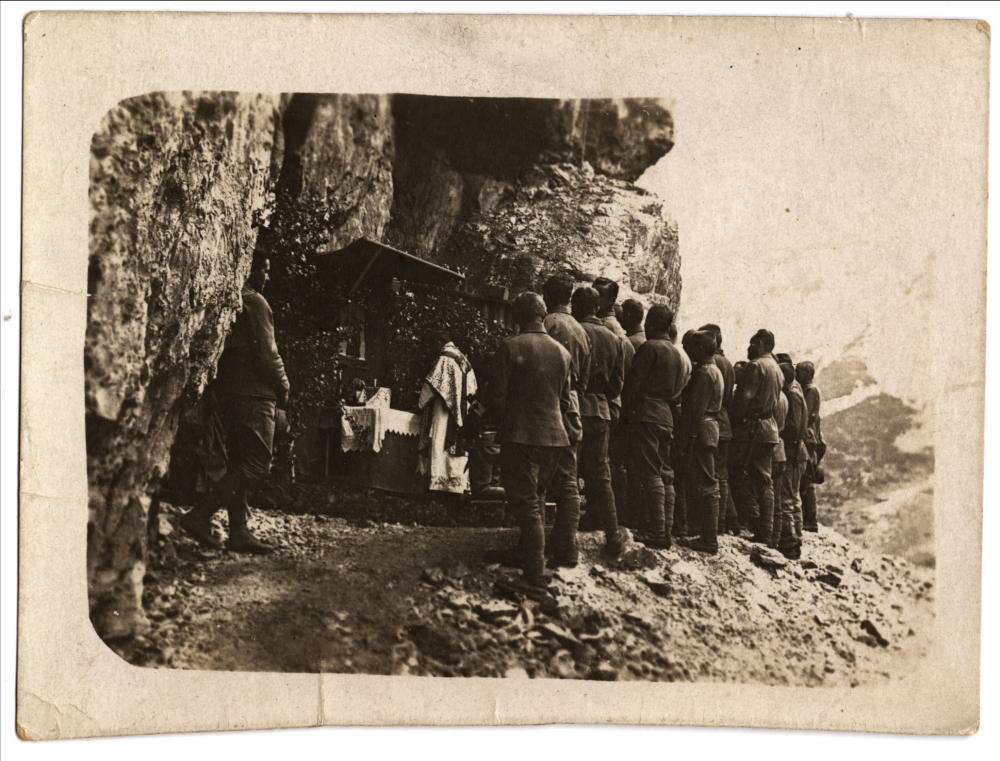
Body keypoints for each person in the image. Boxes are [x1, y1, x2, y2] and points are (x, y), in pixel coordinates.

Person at [180, 255, 290, 554]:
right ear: (251, 269)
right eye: (264, 270)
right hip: (254, 394)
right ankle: (199, 516)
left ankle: (239, 531)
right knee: (257, 464)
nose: (266, 277)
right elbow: (269, 354)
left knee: (239, 462)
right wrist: (283, 384)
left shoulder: (231, 300)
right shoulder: (255, 302)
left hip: (229, 392)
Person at [489, 292, 578, 590]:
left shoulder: (510, 346)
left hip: (522, 435)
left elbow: (498, 398)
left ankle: (535, 574)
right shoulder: (563, 353)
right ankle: (527, 554)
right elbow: (566, 402)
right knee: (536, 497)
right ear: (542, 315)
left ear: (517, 316)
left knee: (526, 503)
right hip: (555, 438)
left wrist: (498, 425)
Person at [621, 306, 689, 548]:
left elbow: (633, 386)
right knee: (665, 472)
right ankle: (665, 529)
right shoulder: (676, 352)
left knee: (649, 471)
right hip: (666, 415)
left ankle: (657, 531)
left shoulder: (648, 348)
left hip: (647, 413)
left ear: (650, 323)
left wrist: (626, 414)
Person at [572, 286, 627, 557]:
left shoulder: (575, 331)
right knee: (602, 476)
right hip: (601, 411)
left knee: (568, 472)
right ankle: (613, 536)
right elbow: (617, 386)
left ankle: (566, 536)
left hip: (576, 408)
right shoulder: (614, 337)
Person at [541, 274, 592, 566]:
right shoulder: (582, 331)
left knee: (536, 477)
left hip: (547, 407)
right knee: (568, 481)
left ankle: (532, 544)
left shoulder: (547, 324)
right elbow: (583, 381)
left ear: (547, 295)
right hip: (572, 407)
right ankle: (567, 546)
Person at [729, 329, 783, 544]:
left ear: (760, 344)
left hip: (751, 429)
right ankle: (766, 533)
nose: (748, 348)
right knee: (764, 481)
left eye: (752, 344)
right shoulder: (776, 368)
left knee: (731, 471)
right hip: (769, 429)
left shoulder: (756, 366)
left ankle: (734, 523)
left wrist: (734, 420)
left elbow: (743, 400)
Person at [676, 330, 725, 554]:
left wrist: (684, 439)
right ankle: (705, 534)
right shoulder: (715, 370)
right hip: (711, 428)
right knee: (706, 482)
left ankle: (709, 539)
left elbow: (693, 412)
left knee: (707, 484)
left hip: (702, 429)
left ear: (700, 349)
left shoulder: (704, 373)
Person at [592, 278, 634, 526]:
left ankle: (605, 520)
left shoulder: (609, 331)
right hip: (613, 405)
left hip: (605, 405)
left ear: (610, 300)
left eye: (599, 295)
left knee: (602, 467)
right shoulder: (619, 333)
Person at [417, 331, 478, 496]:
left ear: (439, 343)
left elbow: (430, 388)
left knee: (439, 442)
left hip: (443, 411)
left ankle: (439, 489)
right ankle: (457, 486)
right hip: (460, 414)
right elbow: (473, 389)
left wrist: (420, 403)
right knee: (455, 447)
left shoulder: (444, 359)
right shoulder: (464, 360)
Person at [700, 324, 737, 535]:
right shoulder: (729, 364)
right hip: (724, 423)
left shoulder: (711, 365)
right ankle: (722, 523)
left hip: (711, 422)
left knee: (710, 475)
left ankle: (716, 524)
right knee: (721, 475)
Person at [777, 359, 807, 556]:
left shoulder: (792, 395)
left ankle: (790, 544)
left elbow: (794, 429)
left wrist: (778, 428)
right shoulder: (796, 392)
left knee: (787, 497)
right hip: (798, 452)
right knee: (793, 497)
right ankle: (797, 538)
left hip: (793, 453)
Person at [797, 361, 823, 532]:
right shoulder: (810, 388)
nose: (797, 374)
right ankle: (809, 519)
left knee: (806, 480)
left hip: (807, 438)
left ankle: (811, 521)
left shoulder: (810, 390)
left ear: (807, 374)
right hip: (809, 437)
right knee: (805, 479)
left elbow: (803, 415)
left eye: (799, 372)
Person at [768, 380, 789, 549]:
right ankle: (775, 539)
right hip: (780, 449)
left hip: (772, 448)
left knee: (767, 492)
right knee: (777, 499)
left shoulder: (772, 396)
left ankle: (769, 536)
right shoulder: (784, 397)